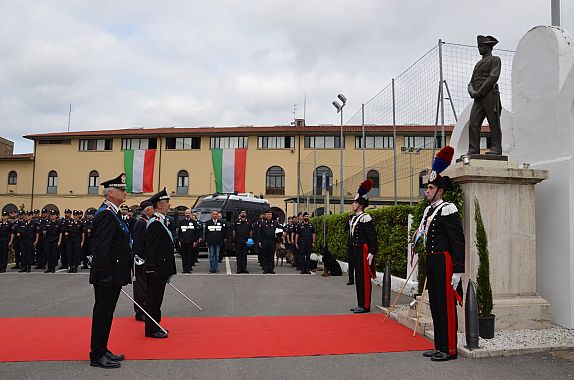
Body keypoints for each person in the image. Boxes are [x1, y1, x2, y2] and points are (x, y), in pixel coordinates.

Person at [419, 146, 465, 362]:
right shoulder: (429, 210)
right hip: (432, 260)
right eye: (427, 187)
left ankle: (450, 349)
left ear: (440, 190)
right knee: (436, 303)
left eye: (430, 187)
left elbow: (457, 241)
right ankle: (439, 345)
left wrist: (458, 269)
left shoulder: (448, 208)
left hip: (445, 261)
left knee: (446, 304)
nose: (426, 191)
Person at [89, 173, 131, 369]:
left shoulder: (112, 212)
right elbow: (101, 247)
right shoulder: (106, 214)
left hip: (112, 273)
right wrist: (105, 273)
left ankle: (103, 349)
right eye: (121, 190)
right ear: (110, 193)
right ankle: (97, 355)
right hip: (107, 274)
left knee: (107, 313)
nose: (125, 192)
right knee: (103, 313)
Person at [144, 188, 177, 338]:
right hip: (156, 269)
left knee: (157, 299)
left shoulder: (161, 221)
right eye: (166, 203)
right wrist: (151, 268)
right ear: (159, 205)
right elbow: (151, 248)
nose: (169, 205)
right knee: (154, 299)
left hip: (161, 267)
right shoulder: (155, 223)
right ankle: (151, 329)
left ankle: (156, 325)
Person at [467, 34, 502, 156]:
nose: (479, 48)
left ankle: (496, 149)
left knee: (494, 123)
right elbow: (471, 82)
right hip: (478, 97)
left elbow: (493, 77)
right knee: (473, 123)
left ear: (489, 47)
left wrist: (480, 91)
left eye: (481, 46)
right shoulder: (478, 64)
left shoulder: (495, 60)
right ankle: (473, 150)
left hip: (489, 95)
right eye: (478, 46)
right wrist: (472, 92)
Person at [348, 179, 377, 314]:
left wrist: (371, 252)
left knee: (364, 278)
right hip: (355, 250)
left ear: (360, 205)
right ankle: (360, 303)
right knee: (358, 277)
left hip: (364, 250)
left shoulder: (366, 217)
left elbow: (372, 236)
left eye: (355, 202)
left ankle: (365, 305)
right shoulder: (354, 218)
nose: (353, 204)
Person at [132, 200, 153, 322]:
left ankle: (145, 309)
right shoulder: (141, 223)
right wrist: (142, 258)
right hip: (140, 260)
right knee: (140, 287)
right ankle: (140, 312)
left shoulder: (147, 221)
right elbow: (139, 244)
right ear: (148, 210)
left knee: (146, 287)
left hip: (146, 259)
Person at [178, 208, 199, 274]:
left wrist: (195, 241)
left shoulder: (194, 222)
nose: (187, 215)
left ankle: (189, 268)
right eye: (186, 213)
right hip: (183, 241)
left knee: (190, 255)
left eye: (188, 213)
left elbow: (196, 232)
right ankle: (184, 269)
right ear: (184, 214)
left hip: (191, 241)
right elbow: (179, 232)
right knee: (184, 256)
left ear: (191, 214)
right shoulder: (181, 221)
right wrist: (179, 240)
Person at [204, 209, 226, 274]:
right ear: (211, 215)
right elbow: (206, 233)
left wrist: (222, 240)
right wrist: (206, 241)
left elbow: (223, 233)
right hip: (210, 242)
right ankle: (211, 269)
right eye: (213, 214)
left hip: (218, 242)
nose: (215, 215)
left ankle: (216, 269)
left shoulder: (220, 223)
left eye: (216, 214)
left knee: (217, 256)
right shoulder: (208, 223)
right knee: (211, 256)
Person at [233, 210, 252, 274]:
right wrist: (234, 239)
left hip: (246, 240)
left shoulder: (249, 222)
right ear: (240, 214)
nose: (243, 214)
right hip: (238, 240)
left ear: (246, 214)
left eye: (244, 213)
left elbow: (251, 231)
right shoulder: (236, 222)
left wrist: (250, 238)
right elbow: (234, 231)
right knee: (239, 255)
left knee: (244, 255)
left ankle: (244, 268)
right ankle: (239, 268)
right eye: (242, 213)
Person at [345, 213, 354, 285]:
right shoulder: (350, 224)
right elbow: (345, 228)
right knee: (350, 263)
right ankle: (351, 279)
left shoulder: (357, 224)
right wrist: (349, 221)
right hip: (350, 245)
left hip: (357, 245)